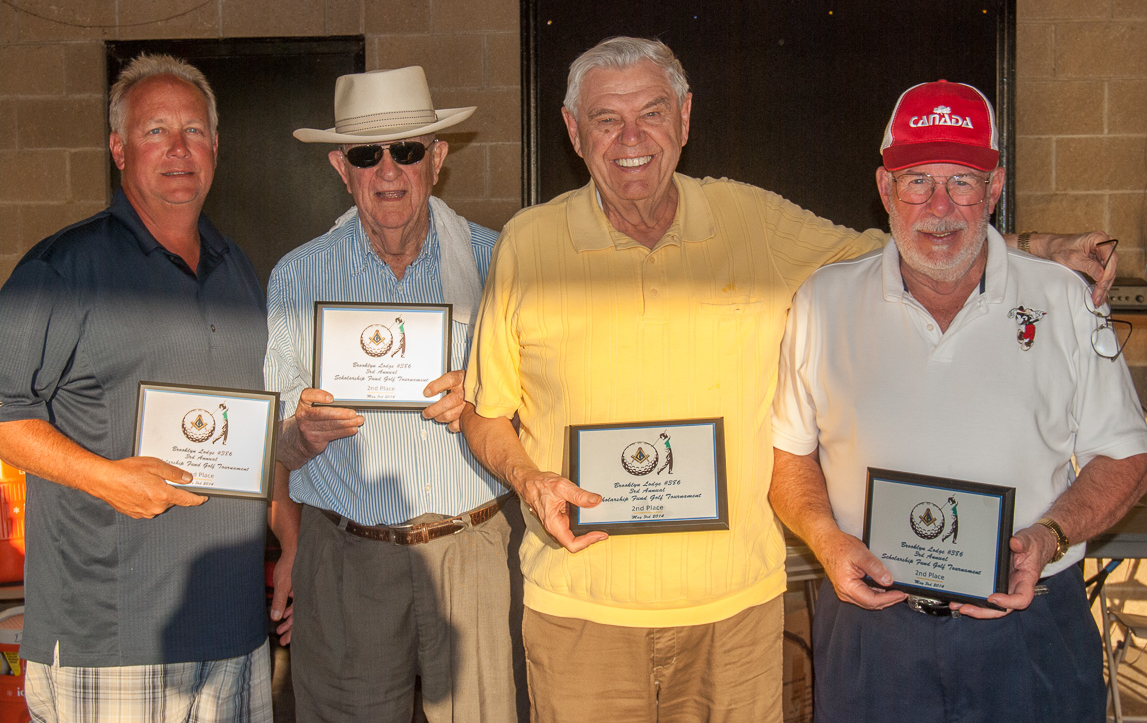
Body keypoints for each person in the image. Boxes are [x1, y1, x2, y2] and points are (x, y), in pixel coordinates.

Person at [459, 37, 1119, 722]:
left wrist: (1040, 247)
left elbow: (910, 238)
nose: (631, 138)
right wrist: (526, 479)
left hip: (734, 611)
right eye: (605, 119)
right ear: (572, 131)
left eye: (651, 113)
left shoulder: (753, 222)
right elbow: (485, 409)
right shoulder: (526, 245)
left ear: (684, 118)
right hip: (578, 609)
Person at [770, 80, 1147, 722]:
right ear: (886, 190)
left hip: (1030, 628)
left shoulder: (1063, 301)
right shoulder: (823, 303)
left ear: (993, 190)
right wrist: (826, 540)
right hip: (873, 631)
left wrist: (1049, 536)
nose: (939, 207)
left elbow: (1126, 457)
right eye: (917, 181)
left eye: (962, 182)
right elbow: (788, 457)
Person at [0, 53, 285, 722]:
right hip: (112, 638)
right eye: (156, 131)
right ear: (118, 148)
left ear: (216, 147)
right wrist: (107, 478)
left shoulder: (236, 266)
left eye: (193, 131)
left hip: (235, 634)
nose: (178, 149)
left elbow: (254, 425)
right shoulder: (61, 270)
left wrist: (290, 533)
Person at [266, 66, 524, 723]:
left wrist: (487, 388)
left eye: (407, 149)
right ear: (340, 166)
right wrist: (299, 434)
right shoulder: (297, 276)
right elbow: (275, 440)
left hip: (473, 553)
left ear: (437, 159)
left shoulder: (499, 265)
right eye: (366, 154)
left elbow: (549, 403)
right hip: (346, 557)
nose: (388, 170)